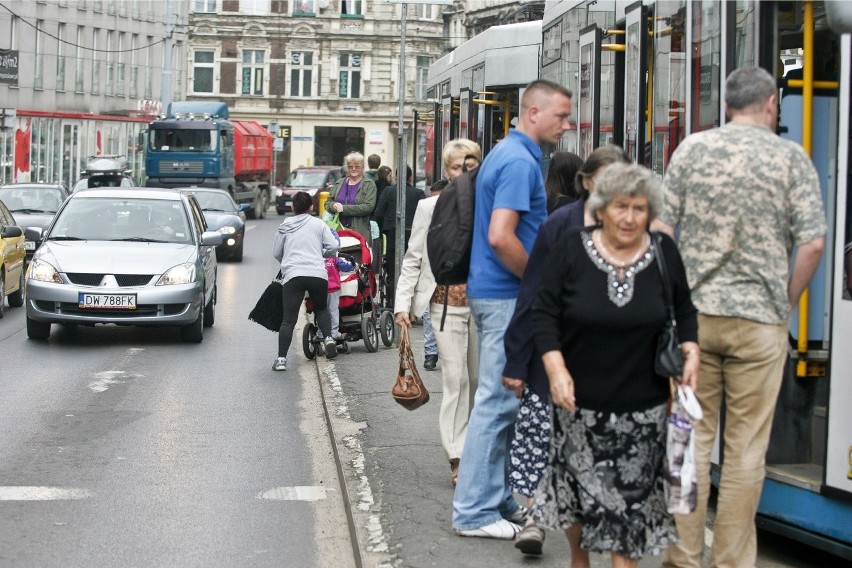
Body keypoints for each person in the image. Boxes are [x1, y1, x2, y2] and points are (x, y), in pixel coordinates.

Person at [658, 66, 826, 568]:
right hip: (760, 322)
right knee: (746, 448)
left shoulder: (692, 150)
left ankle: (684, 554)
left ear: (725, 105)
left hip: (696, 323)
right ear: (772, 103)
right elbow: (813, 243)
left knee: (689, 439)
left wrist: (672, 303)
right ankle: (731, 560)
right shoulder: (791, 158)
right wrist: (785, 301)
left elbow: (663, 231)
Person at [530, 163, 699, 567]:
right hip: (578, 407)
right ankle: (579, 559)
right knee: (577, 502)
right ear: (602, 208)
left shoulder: (663, 252)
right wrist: (555, 369)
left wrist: (691, 350)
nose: (629, 218)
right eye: (621, 207)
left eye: (639, 209)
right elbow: (544, 312)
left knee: (629, 518)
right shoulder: (572, 248)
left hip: (644, 410)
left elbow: (685, 309)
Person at [452, 79, 573, 540]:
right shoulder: (521, 163)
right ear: (534, 112)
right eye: (561, 115)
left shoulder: (505, 154)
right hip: (506, 295)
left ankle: (497, 499)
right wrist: (540, 283)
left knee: (503, 402)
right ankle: (474, 513)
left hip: (494, 292)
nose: (567, 124)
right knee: (498, 403)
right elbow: (502, 236)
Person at [502, 145, 629, 556]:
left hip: (614, 362)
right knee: (545, 441)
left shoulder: (635, 226)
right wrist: (518, 360)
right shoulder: (559, 224)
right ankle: (537, 521)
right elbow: (533, 292)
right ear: (587, 181)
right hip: (555, 356)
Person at [395, 138, 482, 487]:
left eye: (471, 165)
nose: (465, 172)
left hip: (483, 307)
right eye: (458, 166)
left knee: (477, 382)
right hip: (444, 305)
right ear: (447, 171)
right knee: (455, 380)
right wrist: (402, 304)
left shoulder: (488, 203)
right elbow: (414, 257)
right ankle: (457, 455)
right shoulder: (430, 208)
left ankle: (475, 448)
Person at [272, 191, 340, 371]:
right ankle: (328, 339)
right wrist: (322, 255)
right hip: (317, 273)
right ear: (311, 207)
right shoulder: (318, 224)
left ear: (293, 207)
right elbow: (333, 246)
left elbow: (276, 253)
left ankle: (281, 360)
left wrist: (288, 263)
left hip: (294, 275)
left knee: (288, 319)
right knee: (321, 308)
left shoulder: (285, 225)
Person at [374, 165, 425, 309]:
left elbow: (378, 213)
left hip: (393, 233)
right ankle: (412, 305)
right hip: (414, 235)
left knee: (393, 269)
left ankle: (393, 302)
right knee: (413, 269)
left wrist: (383, 229)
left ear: (396, 177)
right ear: (411, 177)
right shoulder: (418, 193)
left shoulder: (388, 191)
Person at [325, 152, 377, 243]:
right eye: (350, 166)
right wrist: (333, 206)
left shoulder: (369, 184)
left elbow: (368, 207)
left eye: (357, 166)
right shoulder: (339, 183)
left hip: (359, 233)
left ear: (363, 167)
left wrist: (344, 209)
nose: (353, 169)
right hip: (338, 232)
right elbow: (327, 203)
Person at [322, 229, 355, 343]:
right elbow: (346, 267)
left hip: (320, 289)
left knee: (322, 311)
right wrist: (353, 265)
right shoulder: (335, 257)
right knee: (333, 311)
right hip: (333, 289)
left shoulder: (317, 256)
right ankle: (334, 333)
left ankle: (322, 332)